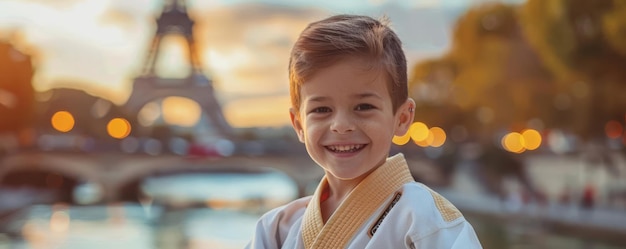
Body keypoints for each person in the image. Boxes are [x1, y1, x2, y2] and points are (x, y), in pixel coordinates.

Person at [246, 14, 482, 249]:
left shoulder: (425, 220)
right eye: (321, 109)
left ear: (402, 118)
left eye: (364, 107)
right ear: (298, 124)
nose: (341, 124)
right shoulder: (274, 230)